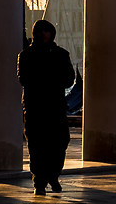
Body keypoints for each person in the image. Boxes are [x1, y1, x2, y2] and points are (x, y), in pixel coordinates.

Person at [20, 21, 76, 193]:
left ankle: (53, 174)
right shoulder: (26, 55)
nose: (44, 34)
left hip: (56, 106)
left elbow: (69, 79)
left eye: (47, 31)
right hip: (35, 107)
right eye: (41, 31)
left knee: (60, 142)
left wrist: (50, 77)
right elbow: (23, 78)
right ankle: (39, 181)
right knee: (37, 145)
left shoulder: (61, 54)